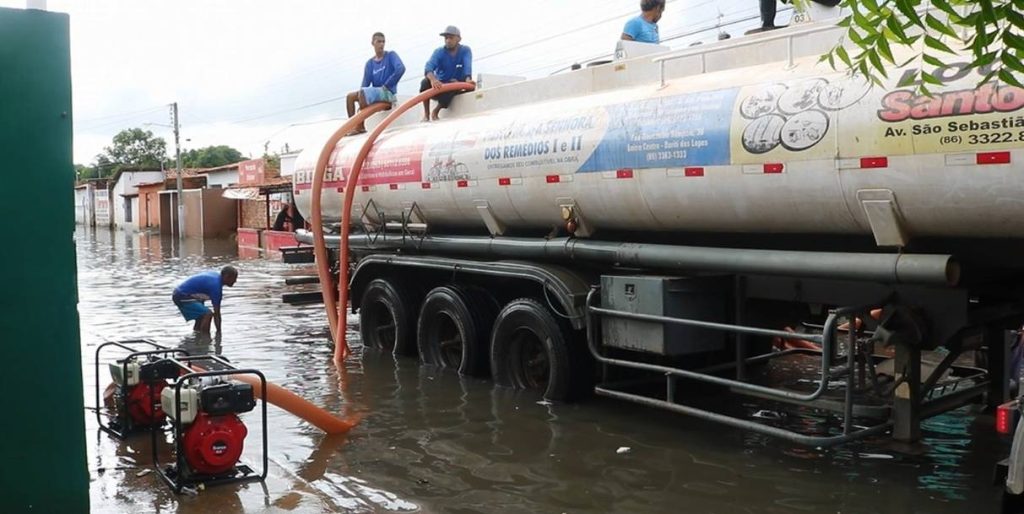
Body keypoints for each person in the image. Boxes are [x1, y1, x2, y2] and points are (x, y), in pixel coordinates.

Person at [346, 32, 406, 134]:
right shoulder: (370, 64)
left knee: (364, 93)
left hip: (388, 93)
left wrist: (386, 85)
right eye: (379, 42)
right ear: (373, 43)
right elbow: (365, 84)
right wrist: (360, 96)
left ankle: (360, 126)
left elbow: (401, 69)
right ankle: (351, 126)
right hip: (375, 94)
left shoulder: (391, 55)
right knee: (350, 97)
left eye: (383, 42)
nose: (381, 44)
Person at [420, 25, 474, 122]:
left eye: (451, 38)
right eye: (446, 38)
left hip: (454, 86)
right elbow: (428, 67)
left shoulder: (465, 50)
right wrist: (433, 80)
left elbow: (467, 68)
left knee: (454, 85)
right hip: (439, 86)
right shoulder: (439, 52)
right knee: (424, 83)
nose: (448, 40)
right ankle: (426, 114)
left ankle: (436, 111)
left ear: (458, 39)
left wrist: (468, 81)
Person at [172, 266, 238, 335]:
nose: (235, 281)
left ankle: (196, 336)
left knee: (201, 316)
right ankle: (205, 340)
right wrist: (219, 333)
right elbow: (217, 313)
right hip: (181, 296)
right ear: (226, 277)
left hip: (181, 294)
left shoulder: (215, 277)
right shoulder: (216, 287)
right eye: (234, 278)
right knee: (207, 314)